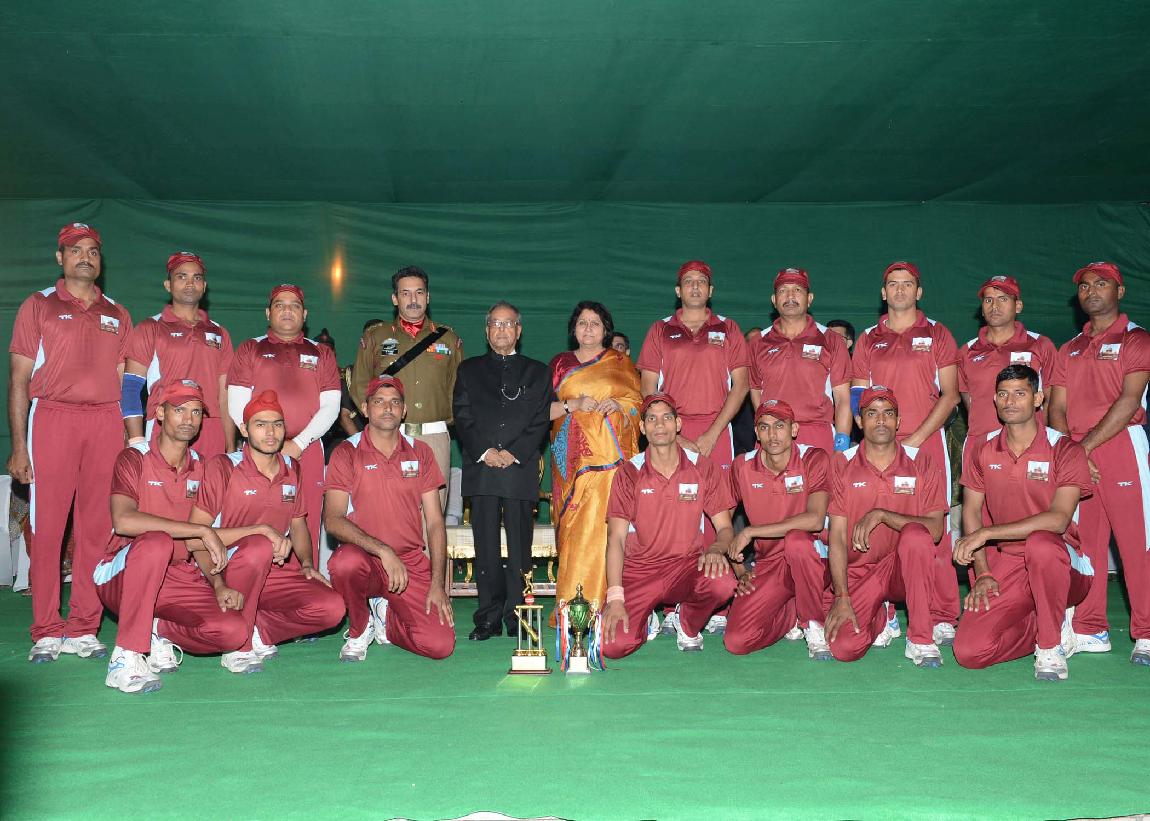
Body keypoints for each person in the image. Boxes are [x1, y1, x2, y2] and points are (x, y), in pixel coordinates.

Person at [10, 223, 132, 663]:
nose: (85, 256)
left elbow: (125, 382)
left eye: (93, 251)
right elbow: (19, 379)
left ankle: (83, 626)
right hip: (53, 418)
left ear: (101, 261)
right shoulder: (39, 305)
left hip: (105, 422)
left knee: (98, 527)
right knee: (48, 527)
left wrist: (130, 438)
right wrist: (19, 446)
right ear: (59, 257)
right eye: (75, 250)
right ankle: (46, 628)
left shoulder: (117, 313)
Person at [95, 380, 249, 693]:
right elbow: (123, 520)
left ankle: (157, 629)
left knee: (233, 632)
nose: (188, 419)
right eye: (179, 410)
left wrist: (218, 583)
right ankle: (125, 657)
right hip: (123, 572)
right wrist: (200, 529)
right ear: (161, 413)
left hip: (179, 576)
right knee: (157, 542)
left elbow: (201, 544)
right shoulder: (134, 457)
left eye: (196, 412)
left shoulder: (204, 468)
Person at [952, 365, 1095, 680]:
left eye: (1020, 393)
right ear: (994, 400)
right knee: (969, 652)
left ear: (1038, 398)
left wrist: (988, 533)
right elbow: (971, 512)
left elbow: (1058, 520)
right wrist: (983, 572)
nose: (1010, 401)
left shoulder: (1065, 448)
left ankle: (1050, 645)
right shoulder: (982, 448)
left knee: (1041, 543)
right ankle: (1042, 620)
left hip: (1062, 562)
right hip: (1009, 562)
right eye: (1003, 394)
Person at [191, 390, 345, 673]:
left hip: (273, 572)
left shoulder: (292, 467)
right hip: (226, 568)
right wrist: (260, 532)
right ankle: (238, 647)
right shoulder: (223, 467)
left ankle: (257, 628)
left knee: (332, 608)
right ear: (244, 429)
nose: (271, 432)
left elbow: (298, 524)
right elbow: (193, 538)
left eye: (277, 424)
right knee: (259, 545)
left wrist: (307, 564)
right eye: (261, 424)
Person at [851, 261, 960, 645]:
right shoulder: (868, 338)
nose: (900, 290)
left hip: (925, 442)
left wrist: (914, 440)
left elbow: (951, 395)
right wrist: (872, 440)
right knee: (878, 521)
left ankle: (942, 612)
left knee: (934, 527)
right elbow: (858, 397)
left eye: (907, 284)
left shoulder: (937, 333)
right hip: (880, 443)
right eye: (893, 284)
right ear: (883, 293)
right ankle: (883, 607)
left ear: (919, 291)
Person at [1048, 261, 1150, 665]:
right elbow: (1056, 408)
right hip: (1076, 451)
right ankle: (1090, 628)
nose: (1091, 291)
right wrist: (1072, 451)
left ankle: (1146, 631)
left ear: (1119, 292)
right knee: (1084, 543)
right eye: (1085, 286)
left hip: (1122, 446)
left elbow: (1129, 400)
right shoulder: (1069, 348)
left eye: (1101, 284)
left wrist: (1084, 448)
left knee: (1136, 542)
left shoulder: (1136, 338)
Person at [325, 376, 454, 662]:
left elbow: (435, 522)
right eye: (379, 401)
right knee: (344, 563)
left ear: (404, 410)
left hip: (409, 561)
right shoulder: (347, 452)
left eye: (395, 402)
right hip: (366, 559)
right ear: (365, 408)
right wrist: (383, 551)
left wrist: (437, 584)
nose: (387, 408)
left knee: (439, 646)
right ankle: (360, 627)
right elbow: (332, 520)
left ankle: (386, 617)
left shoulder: (420, 451)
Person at [601, 393, 739, 657]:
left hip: (686, 566)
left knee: (722, 582)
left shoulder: (702, 467)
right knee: (613, 646)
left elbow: (725, 528)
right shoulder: (628, 472)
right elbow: (616, 539)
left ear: (678, 424)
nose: (659, 425)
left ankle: (687, 622)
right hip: (640, 571)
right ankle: (645, 620)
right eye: (652, 419)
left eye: (666, 417)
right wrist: (615, 597)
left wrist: (715, 549)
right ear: (642, 428)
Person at [823, 386, 949, 667]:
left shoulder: (921, 461)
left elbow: (936, 529)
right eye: (872, 413)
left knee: (917, 536)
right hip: (858, 572)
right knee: (844, 647)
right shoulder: (841, 463)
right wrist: (841, 595)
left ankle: (920, 638)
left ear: (898, 421)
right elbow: (838, 537)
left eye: (888, 413)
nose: (881, 420)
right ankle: (880, 614)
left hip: (901, 570)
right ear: (859, 421)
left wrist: (882, 515)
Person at [453, 301, 553, 640]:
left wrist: (514, 452)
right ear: (486, 331)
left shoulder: (538, 372)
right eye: (495, 324)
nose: (501, 329)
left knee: (521, 548)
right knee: (485, 547)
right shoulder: (468, 370)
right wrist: (486, 452)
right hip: (482, 468)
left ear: (518, 331)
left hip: (519, 469)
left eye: (508, 323)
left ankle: (518, 615)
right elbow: (462, 415)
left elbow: (541, 419)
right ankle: (488, 617)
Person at [227, 284, 341, 564]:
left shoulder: (322, 353)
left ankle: (307, 578)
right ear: (268, 313)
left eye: (294, 306)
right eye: (280, 305)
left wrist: (298, 444)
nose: (287, 311)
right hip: (259, 451)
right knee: (256, 516)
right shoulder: (251, 348)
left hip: (307, 449)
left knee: (308, 519)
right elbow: (237, 404)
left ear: (305, 314)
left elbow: (331, 406)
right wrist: (265, 441)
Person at [637, 260, 749, 540]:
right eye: (688, 282)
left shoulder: (728, 327)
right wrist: (674, 434)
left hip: (718, 429)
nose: (695, 286)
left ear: (710, 290)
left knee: (720, 507)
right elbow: (648, 387)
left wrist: (712, 434)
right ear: (678, 291)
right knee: (674, 501)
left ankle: (715, 564)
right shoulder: (660, 329)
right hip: (672, 429)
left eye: (701, 282)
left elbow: (741, 386)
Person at [548, 301, 641, 613]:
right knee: (575, 530)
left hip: (612, 463)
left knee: (610, 529)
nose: (588, 329)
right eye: (582, 323)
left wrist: (618, 406)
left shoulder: (620, 362)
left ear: (605, 330)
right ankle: (572, 608)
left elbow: (637, 404)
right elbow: (540, 411)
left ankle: (612, 603)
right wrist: (573, 405)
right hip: (572, 464)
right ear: (573, 329)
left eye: (595, 323)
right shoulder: (559, 364)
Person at [725, 399, 832, 659]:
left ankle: (813, 624)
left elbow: (815, 520)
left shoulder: (813, 458)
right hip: (769, 564)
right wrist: (739, 569)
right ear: (756, 432)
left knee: (797, 541)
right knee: (737, 641)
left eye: (780, 426)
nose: (772, 434)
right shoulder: (742, 466)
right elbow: (721, 521)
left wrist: (751, 531)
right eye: (764, 427)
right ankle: (791, 614)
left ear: (794, 429)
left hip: (815, 559)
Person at [351, 266, 463, 508]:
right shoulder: (375, 337)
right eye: (405, 293)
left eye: (419, 292)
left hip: (434, 436)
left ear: (428, 297)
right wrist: (379, 423)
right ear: (395, 298)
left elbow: (458, 388)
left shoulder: (449, 339)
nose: (413, 299)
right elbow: (360, 384)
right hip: (389, 435)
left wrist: (448, 418)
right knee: (387, 509)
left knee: (433, 513)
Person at [123, 251, 235, 457]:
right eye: (182, 276)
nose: (190, 283)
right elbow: (130, 387)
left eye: (197, 277)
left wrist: (230, 448)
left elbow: (225, 397)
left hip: (211, 430)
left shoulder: (219, 332)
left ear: (204, 286)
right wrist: (136, 441)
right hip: (165, 426)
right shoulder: (151, 327)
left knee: (210, 480)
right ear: (168, 285)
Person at [747, 268, 852, 454]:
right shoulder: (757, 342)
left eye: (797, 290)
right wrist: (769, 426)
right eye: (783, 290)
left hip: (818, 435)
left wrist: (841, 448)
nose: (790, 296)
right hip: (773, 437)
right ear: (774, 300)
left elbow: (843, 400)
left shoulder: (831, 340)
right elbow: (756, 392)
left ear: (809, 298)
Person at [957, 275, 1056, 468]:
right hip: (980, 445)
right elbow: (970, 401)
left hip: (1030, 446)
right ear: (982, 309)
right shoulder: (967, 351)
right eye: (988, 300)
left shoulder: (1040, 345)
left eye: (1003, 299)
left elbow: (1051, 401)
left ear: (1018, 306)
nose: (995, 306)